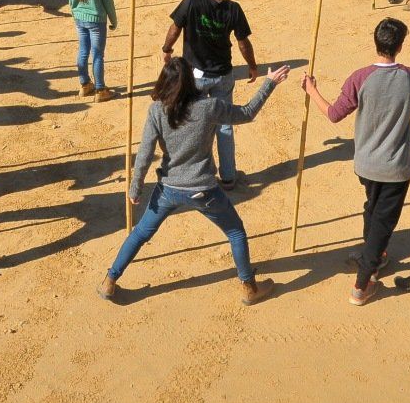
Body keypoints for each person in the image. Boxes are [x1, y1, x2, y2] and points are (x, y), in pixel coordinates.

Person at [98, 58, 289, 305]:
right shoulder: (209, 107)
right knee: (235, 232)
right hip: (204, 190)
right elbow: (247, 113)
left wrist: (135, 187)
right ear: (191, 81)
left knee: (141, 233)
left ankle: (110, 280)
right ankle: (249, 287)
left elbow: (145, 152)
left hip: (168, 189)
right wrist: (269, 83)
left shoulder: (156, 109)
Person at [302, 17, 410, 305]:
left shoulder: (360, 77)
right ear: (399, 47)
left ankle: (375, 256)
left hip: (366, 164)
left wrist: (312, 91)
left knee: (373, 211)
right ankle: (362, 284)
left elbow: (334, 114)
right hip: (396, 167)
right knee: (382, 221)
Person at [161, 0, 258, 188]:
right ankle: (228, 176)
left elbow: (175, 28)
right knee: (224, 124)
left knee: (192, 122)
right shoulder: (233, 8)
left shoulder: (192, 1)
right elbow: (243, 43)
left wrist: (167, 49)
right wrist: (252, 66)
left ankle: (195, 173)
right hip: (222, 75)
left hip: (194, 76)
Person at [67, 0, 118, 100]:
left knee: (83, 51)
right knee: (97, 55)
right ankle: (100, 89)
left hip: (80, 19)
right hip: (97, 21)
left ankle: (84, 84)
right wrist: (113, 19)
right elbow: (108, 2)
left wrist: (75, 14)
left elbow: (71, 0)